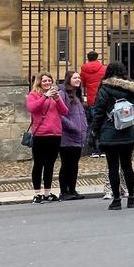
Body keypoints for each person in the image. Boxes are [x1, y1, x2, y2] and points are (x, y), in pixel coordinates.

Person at [90, 61, 134, 210]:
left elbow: (98, 112)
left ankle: (117, 200)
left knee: (113, 167)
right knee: (127, 166)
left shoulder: (104, 89)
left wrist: (95, 130)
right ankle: (131, 198)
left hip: (110, 132)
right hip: (127, 131)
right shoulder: (131, 89)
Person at [25, 72, 67, 203]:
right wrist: (44, 96)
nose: (47, 83)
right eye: (45, 81)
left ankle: (47, 192)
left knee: (50, 164)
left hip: (55, 134)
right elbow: (32, 108)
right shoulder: (33, 95)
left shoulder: (56, 95)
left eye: (49, 81)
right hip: (40, 135)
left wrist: (57, 99)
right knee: (38, 164)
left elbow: (64, 111)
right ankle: (37, 193)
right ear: (39, 82)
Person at [57, 71, 87, 200]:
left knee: (74, 165)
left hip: (78, 136)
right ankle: (64, 191)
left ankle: (72, 190)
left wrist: (84, 126)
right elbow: (60, 114)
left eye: (79, 77)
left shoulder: (77, 93)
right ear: (68, 79)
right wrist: (72, 126)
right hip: (67, 135)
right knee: (66, 164)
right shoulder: (62, 94)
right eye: (75, 77)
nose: (78, 79)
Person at [80, 50, 108, 158]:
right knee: (103, 124)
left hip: (92, 100)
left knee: (93, 124)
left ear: (88, 57)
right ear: (97, 57)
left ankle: (95, 150)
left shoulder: (84, 69)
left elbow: (82, 84)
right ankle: (103, 148)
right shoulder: (103, 68)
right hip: (102, 99)